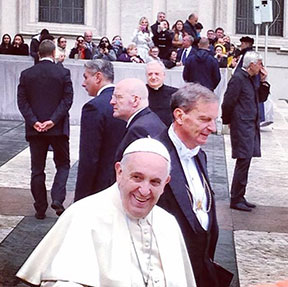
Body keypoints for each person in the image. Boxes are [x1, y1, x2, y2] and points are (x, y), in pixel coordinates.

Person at [16, 138, 196, 287]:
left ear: (166, 183)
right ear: (119, 172)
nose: (144, 190)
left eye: (155, 182)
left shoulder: (168, 223)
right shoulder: (83, 215)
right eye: (137, 177)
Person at [156, 83, 232, 287]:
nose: (213, 128)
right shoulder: (154, 157)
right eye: (205, 119)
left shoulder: (200, 155)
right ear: (179, 116)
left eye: (214, 120)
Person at [17, 39, 73, 219]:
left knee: (37, 169)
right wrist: (53, 120)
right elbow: (67, 100)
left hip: (35, 130)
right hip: (58, 129)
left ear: (38, 54)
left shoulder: (27, 74)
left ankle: (40, 208)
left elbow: (22, 102)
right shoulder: (63, 73)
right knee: (63, 164)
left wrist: (34, 122)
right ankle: (57, 197)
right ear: (54, 53)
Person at [222, 51, 270, 212]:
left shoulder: (250, 79)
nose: (261, 67)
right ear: (251, 65)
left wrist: (264, 82)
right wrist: (227, 121)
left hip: (250, 124)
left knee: (247, 160)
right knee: (243, 160)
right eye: (259, 64)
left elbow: (260, 98)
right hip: (242, 125)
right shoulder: (238, 79)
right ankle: (236, 198)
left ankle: (240, 195)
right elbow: (228, 101)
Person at [74, 60, 126, 202]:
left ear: (98, 77)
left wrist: (80, 199)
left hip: (100, 188)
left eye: (86, 77)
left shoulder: (93, 107)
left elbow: (89, 158)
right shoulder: (126, 103)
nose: (83, 83)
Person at [110, 78, 166, 162]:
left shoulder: (139, 130)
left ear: (135, 100)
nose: (112, 102)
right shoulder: (151, 120)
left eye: (119, 97)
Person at [146, 61, 177, 126]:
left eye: (157, 74)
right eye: (150, 74)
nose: (153, 77)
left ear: (164, 75)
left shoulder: (175, 94)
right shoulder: (140, 93)